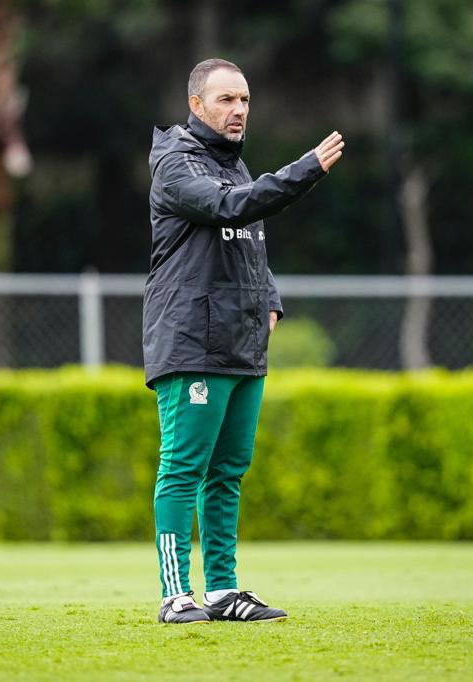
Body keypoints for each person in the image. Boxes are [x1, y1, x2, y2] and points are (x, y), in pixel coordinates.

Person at [143, 58, 344, 624]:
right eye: (227, 100)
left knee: (229, 470)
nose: (239, 111)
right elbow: (233, 207)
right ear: (196, 106)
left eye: (245, 101)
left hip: (240, 340)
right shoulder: (176, 166)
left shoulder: (234, 165)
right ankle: (174, 592)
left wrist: (270, 296)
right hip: (191, 341)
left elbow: (246, 237)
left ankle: (224, 590)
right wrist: (305, 169)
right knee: (183, 466)